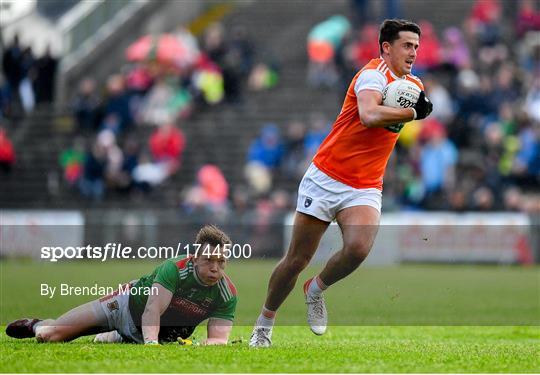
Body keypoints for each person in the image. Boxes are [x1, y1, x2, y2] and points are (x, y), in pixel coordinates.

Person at [249, 19, 433, 347]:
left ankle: (315, 290)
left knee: (359, 248)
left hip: (364, 185)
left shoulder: (413, 86)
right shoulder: (371, 75)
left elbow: (407, 124)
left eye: (416, 47)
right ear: (386, 47)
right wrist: (411, 115)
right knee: (295, 260)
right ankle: (264, 323)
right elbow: (369, 115)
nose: (413, 52)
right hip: (326, 178)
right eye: (407, 45)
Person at [6, 225, 238, 345]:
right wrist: (151, 345)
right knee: (50, 335)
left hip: (155, 333)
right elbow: (152, 310)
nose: (215, 267)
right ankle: (36, 325)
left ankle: (117, 337)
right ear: (195, 257)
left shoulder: (226, 294)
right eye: (209, 260)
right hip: (124, 306)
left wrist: (207, 345)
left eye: (221, 261)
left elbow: (218, 339)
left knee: (128, 338)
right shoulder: (174, 269)